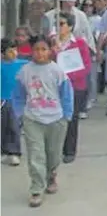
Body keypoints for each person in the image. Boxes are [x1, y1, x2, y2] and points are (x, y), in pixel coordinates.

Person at [11, 35, 74, 208]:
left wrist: (66, 116)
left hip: (56, 119)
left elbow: (67, 95)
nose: (40, 53)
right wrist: (21, 115)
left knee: (53, 154)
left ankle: (51, 174)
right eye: (36, 50)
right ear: (32, 51)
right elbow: (18, 95)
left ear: (50, 51)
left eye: (43, 49)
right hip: (33, 119)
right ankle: (37, 189)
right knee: (36, 155)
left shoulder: (57, 71)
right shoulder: (25, 71)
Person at [51, 12, 91, 164]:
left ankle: (69, 150)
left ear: (70, 26)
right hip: (56, 86)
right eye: (57, 24)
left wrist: (69, 75)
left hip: (75, 85)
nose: (59, 27)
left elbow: (86, 66)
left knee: (71, 118)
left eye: (62, 24)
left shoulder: (80, 43)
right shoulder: (53, 43)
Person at [1, 39, 28, 166]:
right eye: (9, 50)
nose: (13, 52)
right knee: (2, 126)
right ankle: (3, 151)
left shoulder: (23, 64)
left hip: (16, 101)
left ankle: (14, 152)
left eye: (15, 49)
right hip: (2, 100)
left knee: (14, 126)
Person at [80, 0, 101, 115]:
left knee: (91, 77)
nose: (88, 8)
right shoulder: (79, 17)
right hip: (80, 50)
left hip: (91, 49)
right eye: (86, 5)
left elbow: (99, 34)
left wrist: (98, 50)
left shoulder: (97, 20)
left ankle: (90, 99)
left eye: (90, 5)